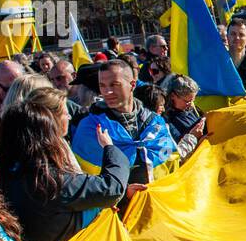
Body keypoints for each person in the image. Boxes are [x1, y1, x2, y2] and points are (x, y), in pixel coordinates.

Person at [0, 87, 128, 241]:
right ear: (44, 135)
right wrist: (110, 148)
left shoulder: (5, 174)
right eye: (65, 113)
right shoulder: (49, 180)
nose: (69, 117)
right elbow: (112, 188)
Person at [71, 59, 178, 187]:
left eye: (114, 84)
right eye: (102, 86)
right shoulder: (90, 127)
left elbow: (173, 166)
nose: (107, 92)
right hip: (115, 205)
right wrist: (124, 194)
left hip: (157, 202)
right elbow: (85, 180)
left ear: (132, 85)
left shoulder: (156, 123)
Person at [160, 74, 206, 156]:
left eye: (192, 100)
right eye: (187, 101)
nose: (191, 104)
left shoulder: (191, 108)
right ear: (173, 96)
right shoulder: (166, 119)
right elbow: (177, 148)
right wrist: (196, 138)